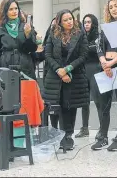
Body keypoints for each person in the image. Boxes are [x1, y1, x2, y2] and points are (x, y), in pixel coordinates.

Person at [43, 9, 89, 150]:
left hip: (74, 76)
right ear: (60, 22)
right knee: (56, 105)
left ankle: (68, 136)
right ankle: (56, 135)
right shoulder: (53, 34)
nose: (69, 21)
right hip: (55, 76)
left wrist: (68, 69)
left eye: (71, 18)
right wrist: (59, 71)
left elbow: (83, 55)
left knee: (70, 106)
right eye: (66, 20)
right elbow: (48, 54)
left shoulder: (80, 34)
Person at [92, 0, 117, 151]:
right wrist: (104, 63)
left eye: (116, 6)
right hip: (106, 68)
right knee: (103, 105)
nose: (113, 9)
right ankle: (103, 136)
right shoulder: (106, 27)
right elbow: (99, 47)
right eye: (110, 7)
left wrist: (111, 63)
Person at [0, 0, 38, 79]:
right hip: (6, 67)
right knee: (9, 91)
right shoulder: (0, 29)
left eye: (16, 8)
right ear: (5, 11)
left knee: (26, 91)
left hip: (25, 67)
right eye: (11, 9)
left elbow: (33, 48)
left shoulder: (26, 26)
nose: (14, 11)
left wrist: (28, 35)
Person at [74, 13, 99, 139]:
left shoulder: (98, 37)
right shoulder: (81, 37)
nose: (86, 24)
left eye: (89, 22)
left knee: (99, 100)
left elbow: (97, 50)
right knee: (84, 101)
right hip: (84, 71)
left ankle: (102, 128)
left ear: (93, 23)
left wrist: (86, 48)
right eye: (85, 22)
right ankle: (84, 128)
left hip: (95, 70)